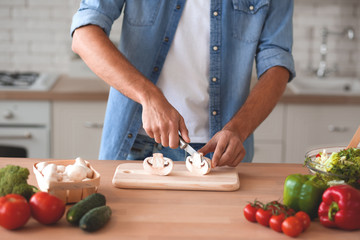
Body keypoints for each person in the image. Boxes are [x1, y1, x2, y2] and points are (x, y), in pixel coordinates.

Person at [70, 0, 295, 167]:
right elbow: (84, 35)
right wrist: (148, 95)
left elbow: (277, 62)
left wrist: (239, 129)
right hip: (133, 144)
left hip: (215, 154)